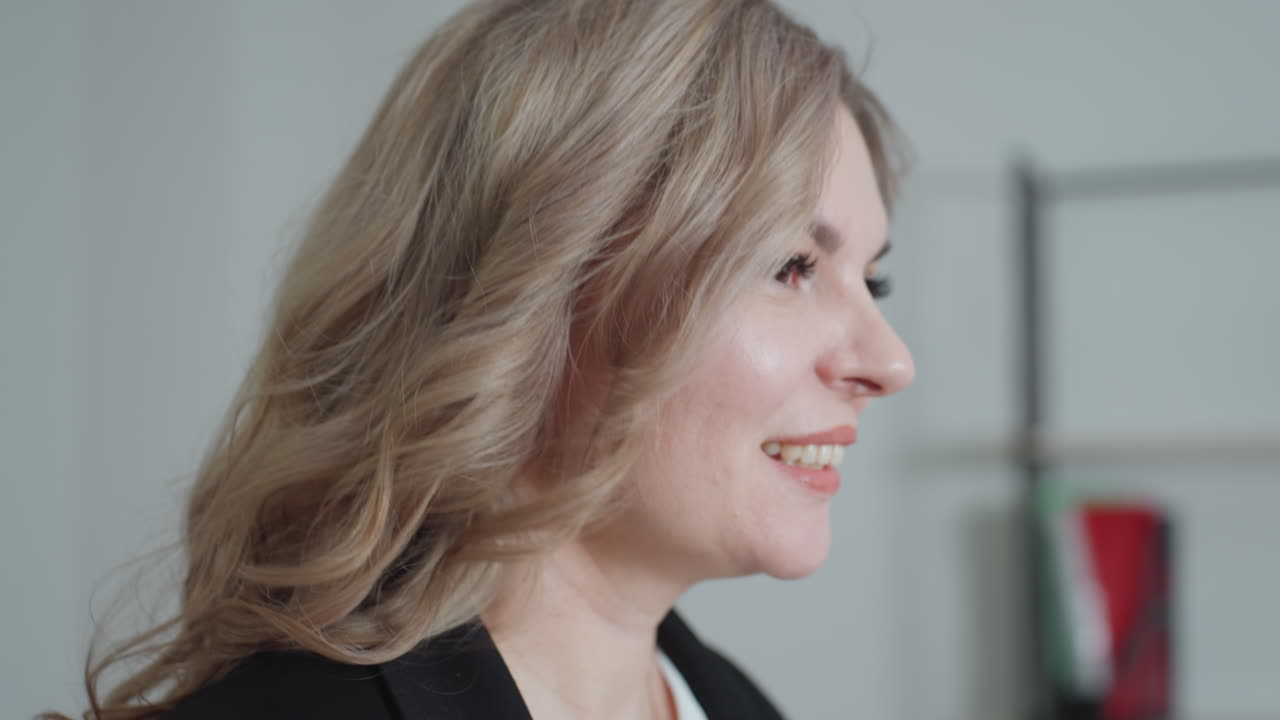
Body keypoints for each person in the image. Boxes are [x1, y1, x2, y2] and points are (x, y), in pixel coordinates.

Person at [48, 0, 914, 718]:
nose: (890, 362)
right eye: (791, 266)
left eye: (871, 282)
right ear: (539, 288)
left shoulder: (734, 704)